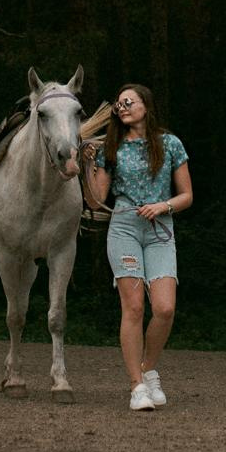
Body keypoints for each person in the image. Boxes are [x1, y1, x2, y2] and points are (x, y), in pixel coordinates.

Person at [77, 83, 192, 411]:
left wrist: (162, 206)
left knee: (165, 308)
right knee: (134, 307)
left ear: (146, 105)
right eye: (119, 104)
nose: (123, 107)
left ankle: (148, 369)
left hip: (160, 228)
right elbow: (95, 201)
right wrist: (90, 166)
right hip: (125, 227)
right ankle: (136, 386)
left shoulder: (169, 144)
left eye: (129, 102)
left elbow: (187, 195)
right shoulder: (110, 148)